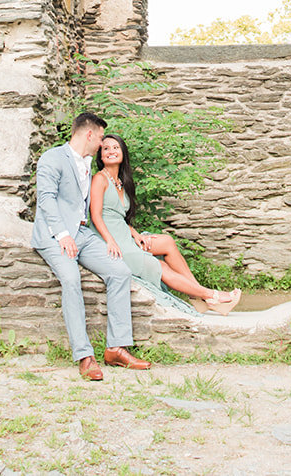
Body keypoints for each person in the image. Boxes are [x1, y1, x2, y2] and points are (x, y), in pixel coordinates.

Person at [30, 111, 151, 381]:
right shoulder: (52, 159)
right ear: (88, 134)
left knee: (119, 272)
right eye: (99, 138)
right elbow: (47, 200)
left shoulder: (86, 163)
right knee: (72, 280)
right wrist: (62, 235)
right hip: (54, 236)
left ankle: (116, 348)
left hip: (83, 234)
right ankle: (85, 356)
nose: (101, 144)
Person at [90, 133, 241, 314]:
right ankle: (211, 296)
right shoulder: (99, 179)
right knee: (159, 266)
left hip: (124, 235)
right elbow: (96, 216)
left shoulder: (121, 182)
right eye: (106, 148)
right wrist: (110, 241)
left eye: (116, 147)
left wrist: (135, 234)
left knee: (167, 242)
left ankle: (198, 296)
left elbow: (117, 215)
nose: (111, 151)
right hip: (112, 241)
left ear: (123, 152)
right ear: (100, 156)